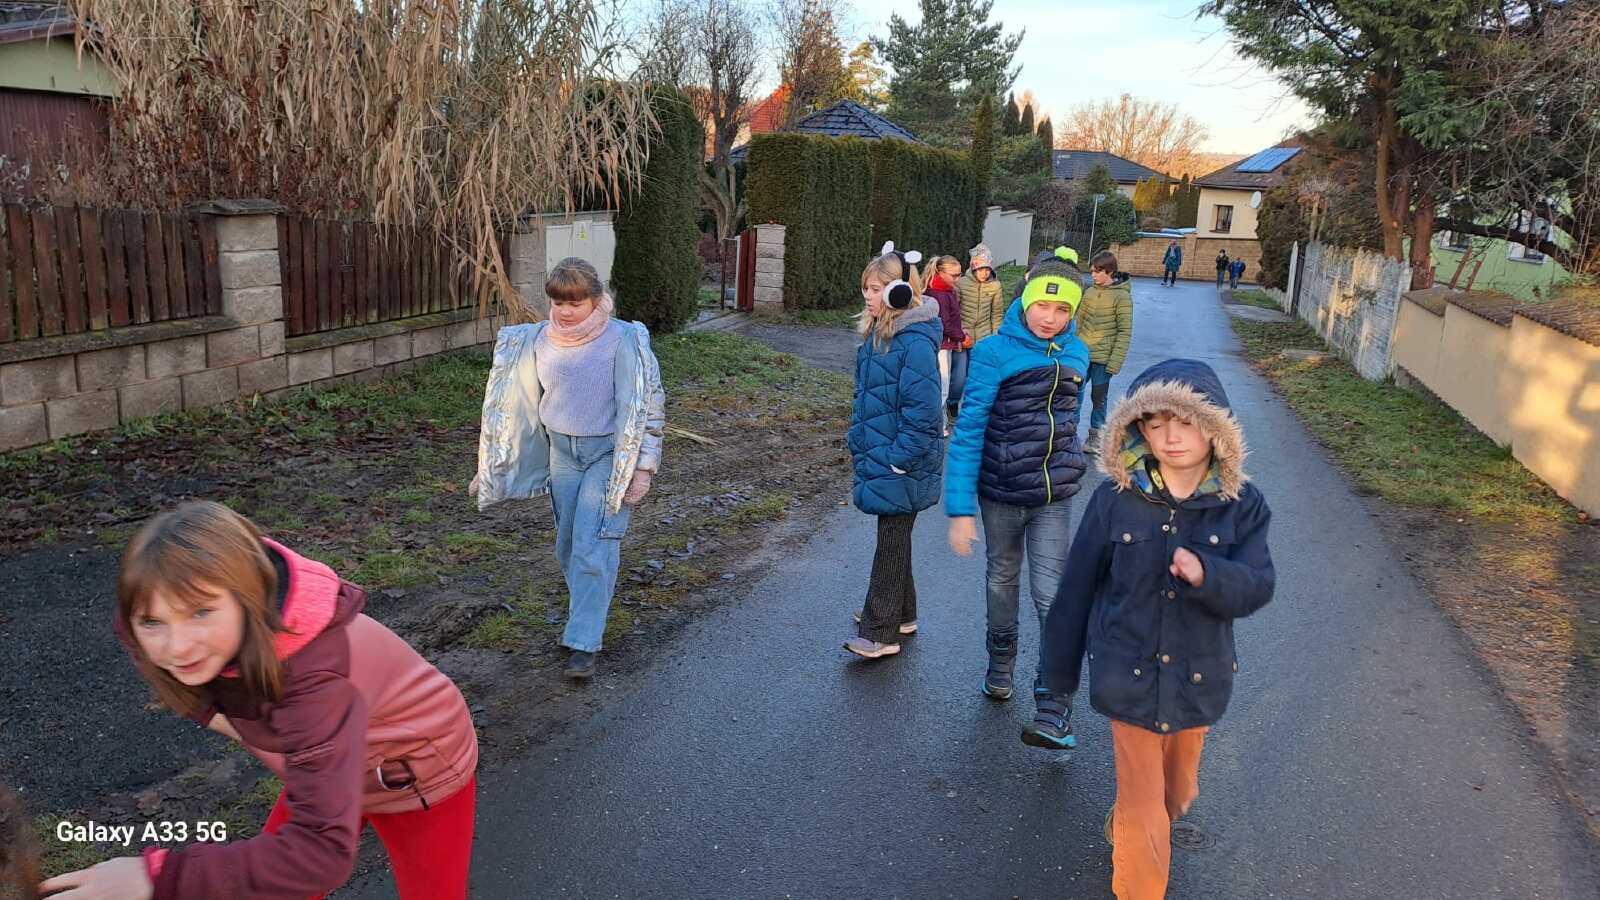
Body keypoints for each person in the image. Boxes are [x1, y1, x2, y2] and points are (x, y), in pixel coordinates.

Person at [45, 501, 480, 900]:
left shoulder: (311, 685)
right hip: (321, 758)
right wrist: (209, 712)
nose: (177, 647)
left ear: (248, 599)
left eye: (201, 612)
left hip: (412, 767)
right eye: (153, 622)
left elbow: (320, 854)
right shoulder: (149, 619)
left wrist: (159, 878)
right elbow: (134, 636)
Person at [1040, 359, 1275, 900]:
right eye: (1156, 423)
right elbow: (1076, 589)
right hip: (1127, 672)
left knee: (1176, 793)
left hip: (1199, 676)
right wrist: (1058, 676)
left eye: (1186, 422)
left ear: (1214, 427)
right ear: (1138, 429)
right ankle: (1137, 868)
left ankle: (1136, 821)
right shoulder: (1114, 500)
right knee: (1143, 803)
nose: (1171, 436)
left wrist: (1209, 574)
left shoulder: (1242, 507)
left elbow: (1258, 585)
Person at [469, 257, 665, 680]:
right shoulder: (534, 341)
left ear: (595, 299)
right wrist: (491, 464)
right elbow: (510, 408)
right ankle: (586, 613)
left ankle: (583, 643)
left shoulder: (624, 339)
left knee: (593, 545)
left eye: (575, 302)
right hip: (562, 455)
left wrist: (643, 468)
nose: (566, 311)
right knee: (568, 545)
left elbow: (649, 405)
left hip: (607, 455)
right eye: (559, 302)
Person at [945, 262, 1090, 748]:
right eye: (1042, 306)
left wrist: (1073, 461)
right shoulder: (992, 352)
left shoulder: (1077, 352)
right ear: (1024, 303)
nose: (1050, 317)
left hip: (1053, 497)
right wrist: (960, 509)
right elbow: (968, 431)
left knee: (1053, 595)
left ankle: (1054, 704)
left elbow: (1069, 420)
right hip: (1002, 493)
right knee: (1001, 579)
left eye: (1062, 309)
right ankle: (1000, 661)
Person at [845, 244, 944, 659]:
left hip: (902, 461)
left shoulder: (912, 343)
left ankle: (879, 631)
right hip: (884, 453)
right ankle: (903, 614)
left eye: (876, 289)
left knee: (890, 540)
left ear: (898, 291)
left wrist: (899, 459)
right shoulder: (880, 334)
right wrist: (858, 439)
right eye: (866, 288)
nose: (868, 296)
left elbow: (924, 411)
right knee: (895, 535)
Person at [1074, 251, 1134, 454]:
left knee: (1098, 398)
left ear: (1109, 272)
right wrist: (1072, 350)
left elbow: (1124, 332)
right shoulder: (1089, 292)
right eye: (1092, 271)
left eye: (1097, 271)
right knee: (1074, 393)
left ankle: (1096, 437)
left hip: (1104, 360)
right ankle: (1068, 433)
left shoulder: (1122, 297)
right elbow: (1079, 323)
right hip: (1083, 356)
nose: (1092, 275)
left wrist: (1115, 362)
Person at [954, 244, 1004, 420]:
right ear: (974, 267)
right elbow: (955, 311)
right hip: (963, 336)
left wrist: (995, 338)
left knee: (978, 377)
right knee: (959, 377)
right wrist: (959, 333)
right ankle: (952, 404)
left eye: (988, 269)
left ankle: (972, 410)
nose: (985, 273)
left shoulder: (995, 286)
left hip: (984, 337)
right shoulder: (961, 284)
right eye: (981, 269)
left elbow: (996, 314)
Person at [926, 254, 968, 437]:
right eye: (954, 275)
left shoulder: (945, 290)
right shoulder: (939, 293)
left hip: (945, 343)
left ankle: (940, 422)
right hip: (942, 344)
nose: (957, 279)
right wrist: (961, 337)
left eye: (959, 274)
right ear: (940, 272)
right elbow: (945, 323)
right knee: (942, 385)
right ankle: (938, 425)